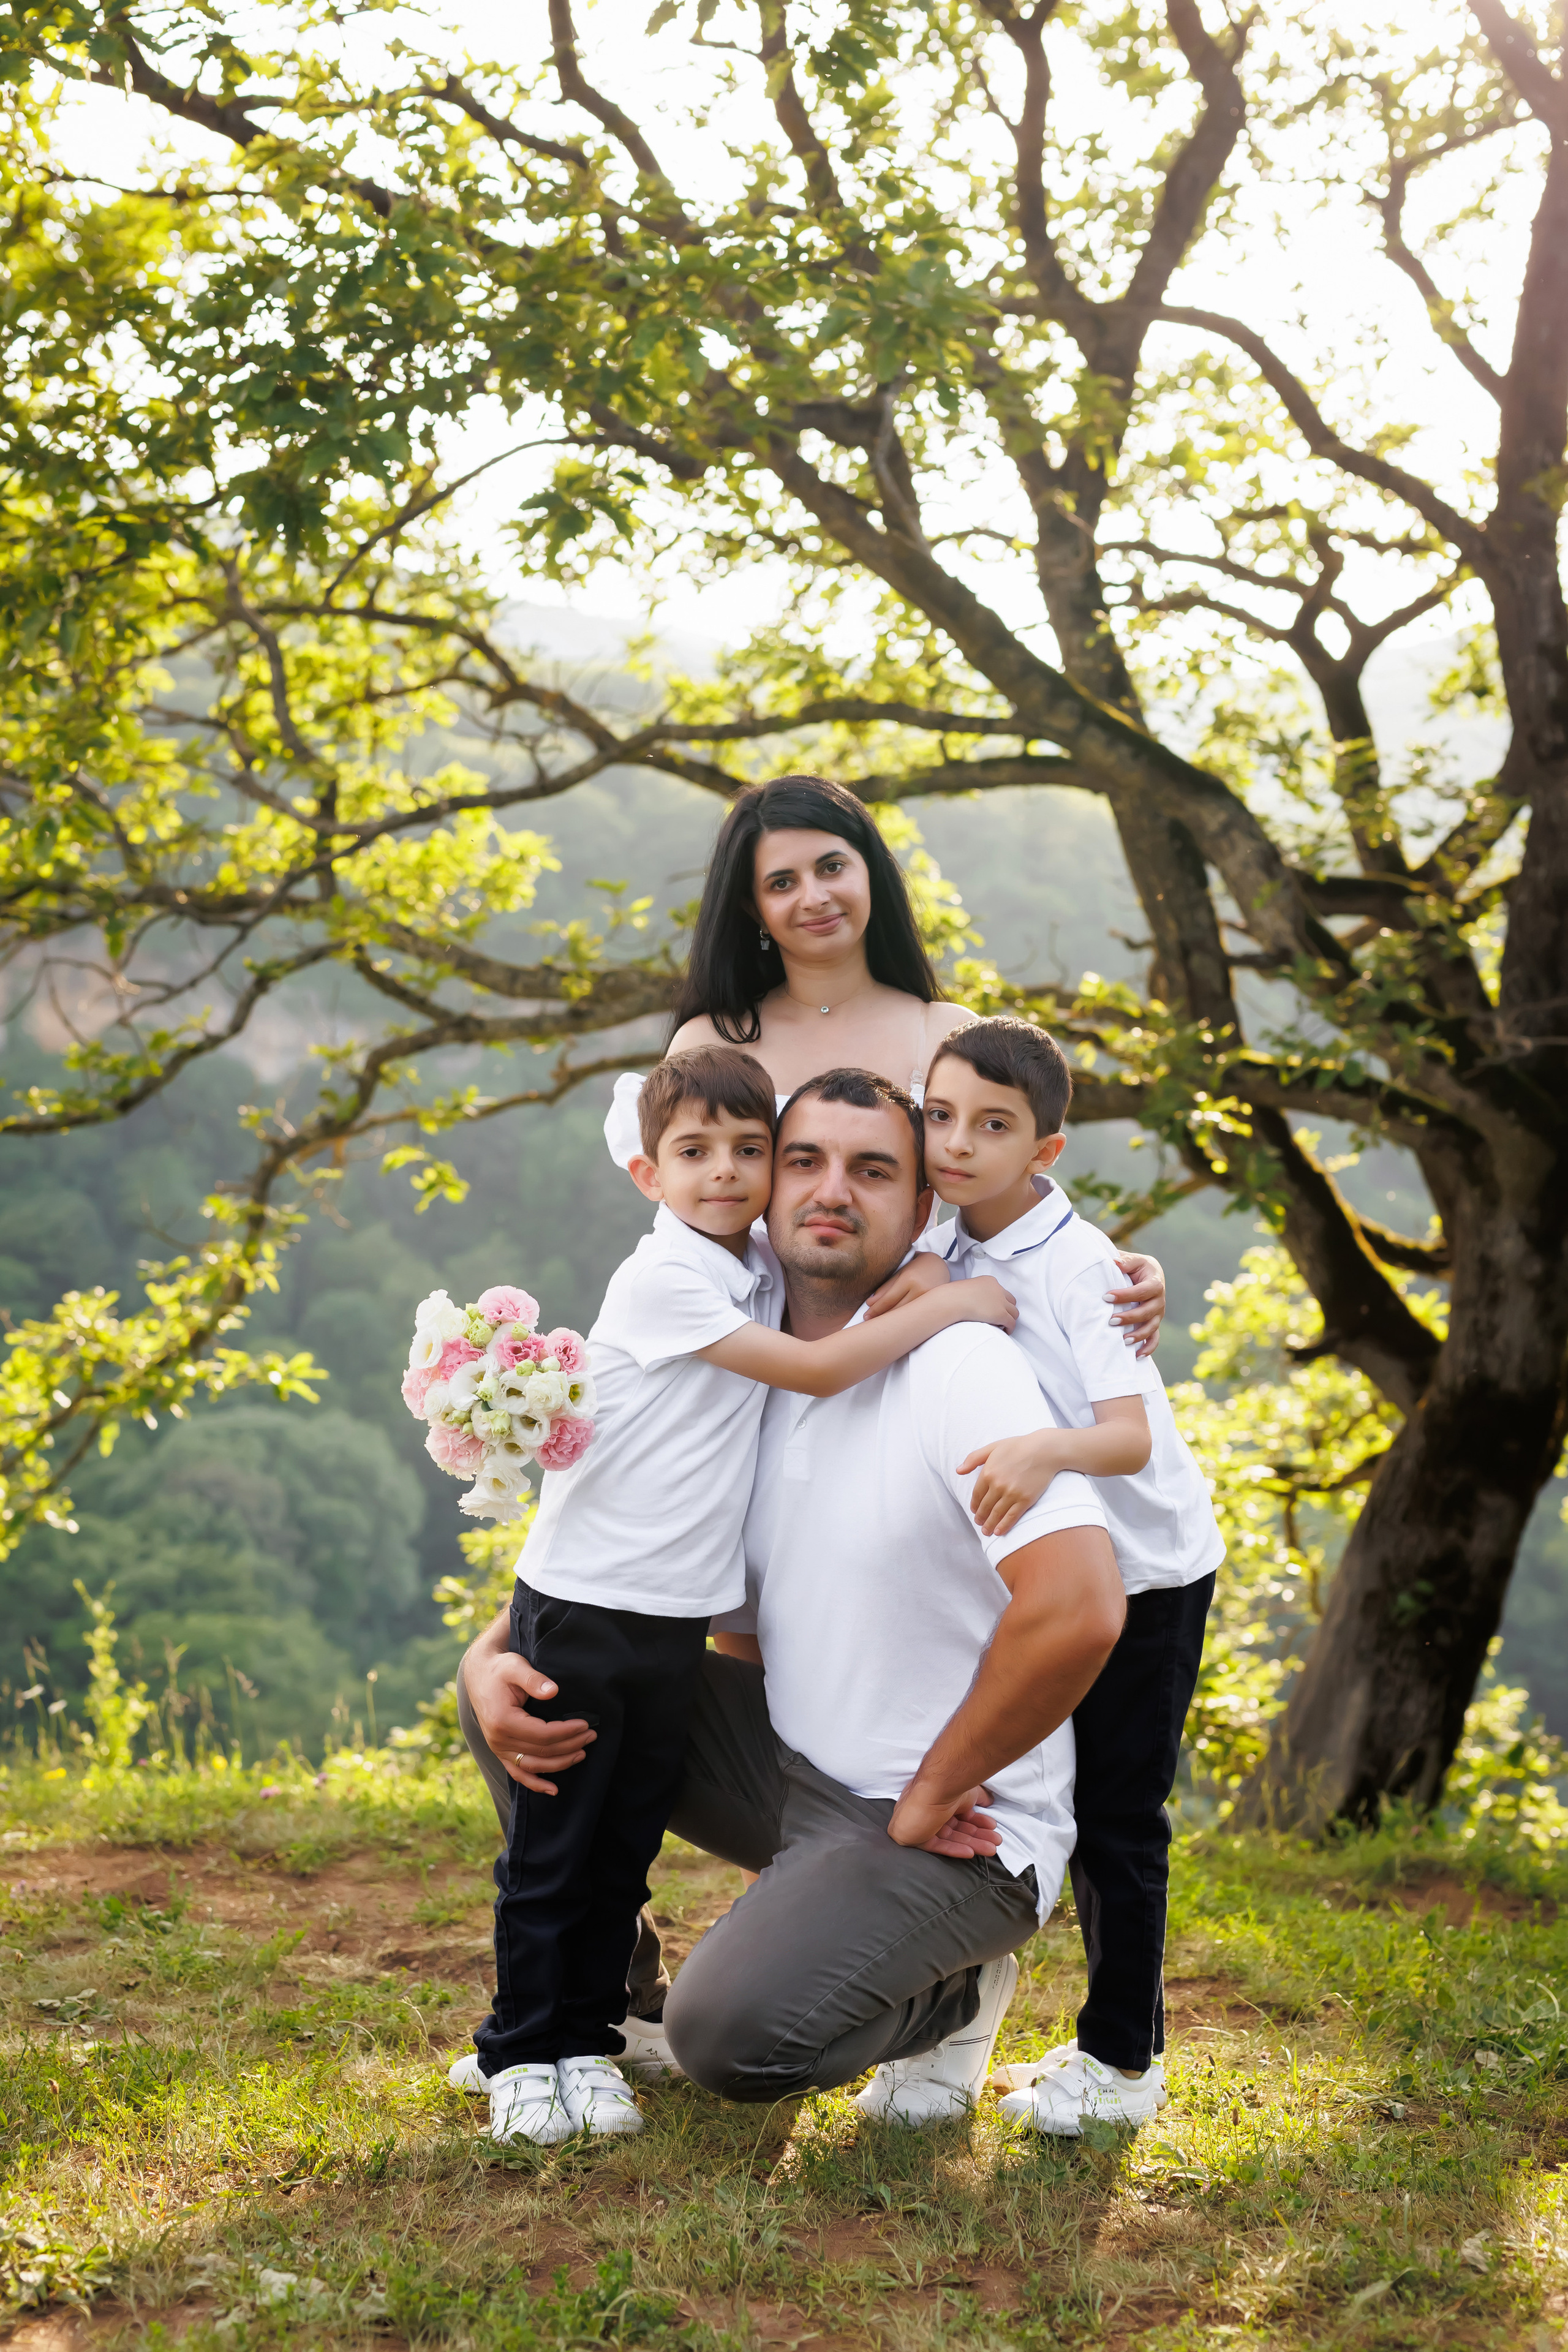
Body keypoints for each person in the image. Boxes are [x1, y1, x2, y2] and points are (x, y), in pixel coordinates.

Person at [460, 1068, 1128, 2125]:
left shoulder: (959, 1366)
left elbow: (1080, 1609)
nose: (829, 1189)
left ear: (922, 1211)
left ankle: (948, 1988)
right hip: (788, 1765)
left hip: (948, 1814)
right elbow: (616, 1543)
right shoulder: (738, 1348)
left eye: (872, 1170)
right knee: (532, 1689)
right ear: (764, 1189)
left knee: (734, 2038)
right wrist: (485, 1656)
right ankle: (596, 2012)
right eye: (803, 1159)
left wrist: (929, 1790)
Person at [915, 1018, 1223, 2134]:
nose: (958, 1144)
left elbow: (1128, 1437)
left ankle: (1125, 2066)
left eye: (993, 1127)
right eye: (940, 1117)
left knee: (1119, 1816)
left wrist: (1042, 1448)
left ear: (1045, 1148)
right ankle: (1098, 2044)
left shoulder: (1081, 1262)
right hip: (1068, 1570)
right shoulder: (956, 1240)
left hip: (1146, 1571)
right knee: (1069, 1804)